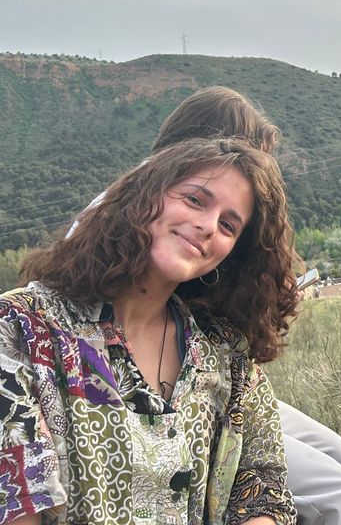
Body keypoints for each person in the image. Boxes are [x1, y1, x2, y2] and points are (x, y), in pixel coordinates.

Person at [68, 87, 341, 525]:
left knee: (340, 452)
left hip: (211, 380)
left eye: (229, 222)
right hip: (150, 396)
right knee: (337, 492)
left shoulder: (192, 228)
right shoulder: (118, 217)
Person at [0, 138, 298, 524]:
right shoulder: (22, 329)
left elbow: (263, 481)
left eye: (228, 225)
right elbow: (17, 500)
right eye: (195, 200)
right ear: (144, 196)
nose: (208, 226)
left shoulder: (227, 357)